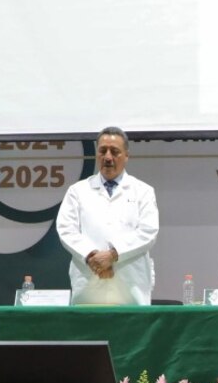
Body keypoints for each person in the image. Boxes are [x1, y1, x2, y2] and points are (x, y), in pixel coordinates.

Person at [56, 127, 159, 305]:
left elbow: (148, 232)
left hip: (130, 285)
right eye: (102, 151)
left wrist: (112, 255)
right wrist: (92, 256)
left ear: (126, 156)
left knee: (132, 322)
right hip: (89, 280)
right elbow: (66, 230)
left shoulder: (143, 191)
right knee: (88, 322)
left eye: (115, 151)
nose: (108, 157)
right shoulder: (77, 191)